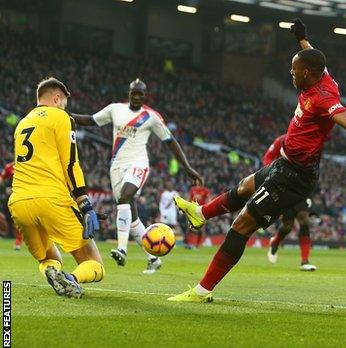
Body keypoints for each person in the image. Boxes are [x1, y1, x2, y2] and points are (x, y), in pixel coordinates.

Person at [168, 19, 346, 302]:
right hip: (284, 164)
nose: (291, 73)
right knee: (245, 186)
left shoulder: (322, 99)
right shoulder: (322, 76)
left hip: (294, 177)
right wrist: (302, 40)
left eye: (294, 69)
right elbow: (316, 57)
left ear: (307, 73)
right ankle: (200, 215)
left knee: (240, 226)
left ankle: (202, 291)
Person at [72, 79, 203, 274]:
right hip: (116, 166)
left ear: (145, 95)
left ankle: (122, 249)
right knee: (130, 217)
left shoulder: (150, 117)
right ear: (129, 93)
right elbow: (91, 120)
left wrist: (187, 167)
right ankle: (153, 258)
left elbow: (170, 142)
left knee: (125, 197)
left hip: (138, 164)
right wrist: (64, 115)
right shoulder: (115, 109)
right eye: (134, 93)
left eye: (141, 94)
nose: (137, 97)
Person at [9, 77, 105, 298]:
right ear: (56, 98)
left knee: (49, 258)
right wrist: (85, 203)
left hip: (19, 203)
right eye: (64, 104)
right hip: (52, 200)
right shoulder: (61, 117)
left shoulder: (22, 123)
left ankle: (54, 273)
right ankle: (71, 280)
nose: (65, 108)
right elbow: (71, 164)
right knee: (95, 264)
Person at [264, 134, 316, 271]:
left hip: (300, 187)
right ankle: (275, 241)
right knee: (288, 226)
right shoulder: (281, 140)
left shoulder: (309, 142)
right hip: (283, 187)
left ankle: (305, 261)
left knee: (304, 219)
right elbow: (267, 158)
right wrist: (275, 173)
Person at [0, 161, 23, 250]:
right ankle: (11, 236)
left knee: (17, 220)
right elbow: (2, 178)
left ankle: (18, 241)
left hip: (21, 196)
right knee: (8, 219)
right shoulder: (9, 167)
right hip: (9, 198)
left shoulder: (27, 166)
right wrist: (5, 188)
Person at [185, 183, 211, 248]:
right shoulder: (192, 189)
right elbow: (189, 199)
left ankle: (198, 245)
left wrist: (208, 211)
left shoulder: (205, 190)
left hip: (202, 211)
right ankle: (189, 244)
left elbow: (208, 200)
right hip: (193, 211)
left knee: (201, 230)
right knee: (189, 228)